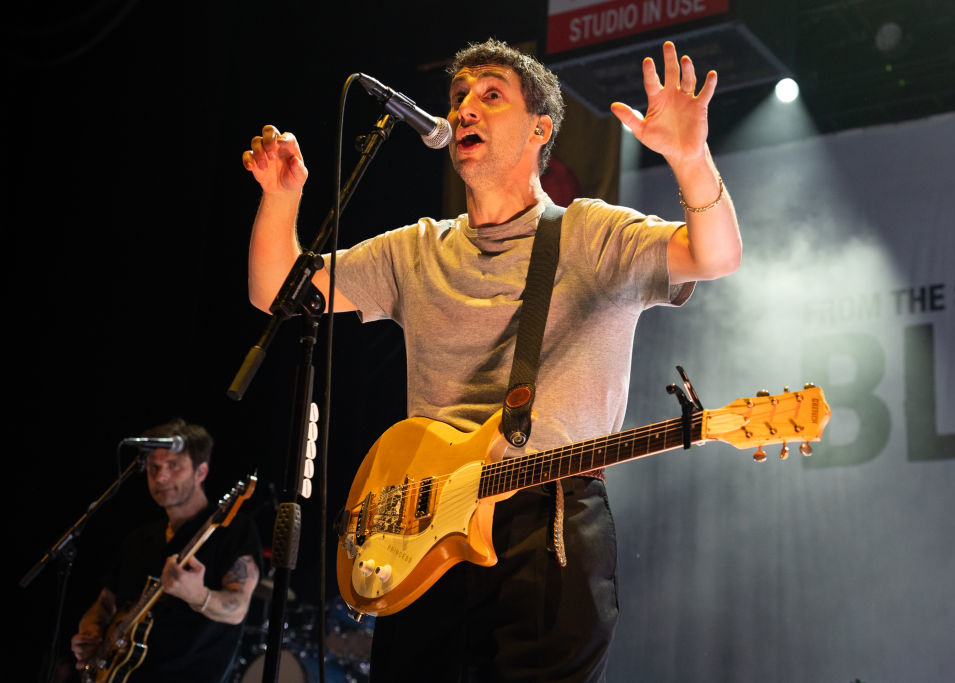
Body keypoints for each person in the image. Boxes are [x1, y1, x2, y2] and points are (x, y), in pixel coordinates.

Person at [243, 38, 740, 682]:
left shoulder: (592, 235)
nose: (464, 109)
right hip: (421, 530)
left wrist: (690, 158)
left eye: (490, 95)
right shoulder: (418, 250)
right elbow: (276, 292)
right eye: (457, 98)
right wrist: (281, 196)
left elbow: (717, 256)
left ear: (541, 130)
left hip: (549, 515)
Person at [70, 418, 263, 683]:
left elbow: (238, 606)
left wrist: (199, 595)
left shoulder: (232, 529)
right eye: (153, 467)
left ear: (201, 472)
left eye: (174, 466)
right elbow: (105, 602)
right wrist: (92, 634)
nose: (161, 477)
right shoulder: (138, 539)